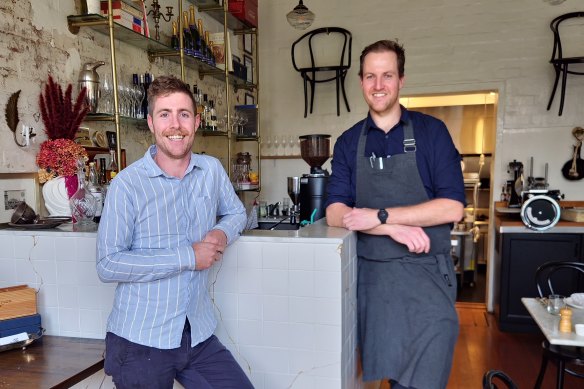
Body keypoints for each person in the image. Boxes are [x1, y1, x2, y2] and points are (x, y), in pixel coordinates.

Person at [96, 75, 253, 389]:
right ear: (151, 123)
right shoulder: (127, 185)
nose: (175, 124)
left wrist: (221, 233)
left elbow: (236, 212)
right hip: (140, 341)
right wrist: (187, 257)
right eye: (164, 114)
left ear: (196, 122)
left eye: (183, 114)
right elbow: (108, 264)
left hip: (196, 333)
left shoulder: (211, 170)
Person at [325, 40, 465, 389]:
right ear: (360, 81)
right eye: (370, 76)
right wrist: (389, 229)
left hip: (428, 279)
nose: (378, 85)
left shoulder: (432, 133)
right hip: (374, 286)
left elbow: (452, 207)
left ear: (401, 79)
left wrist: (384, 216)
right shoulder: (348, 142)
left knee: (425, 380)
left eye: (387, 75)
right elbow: (334, 212)